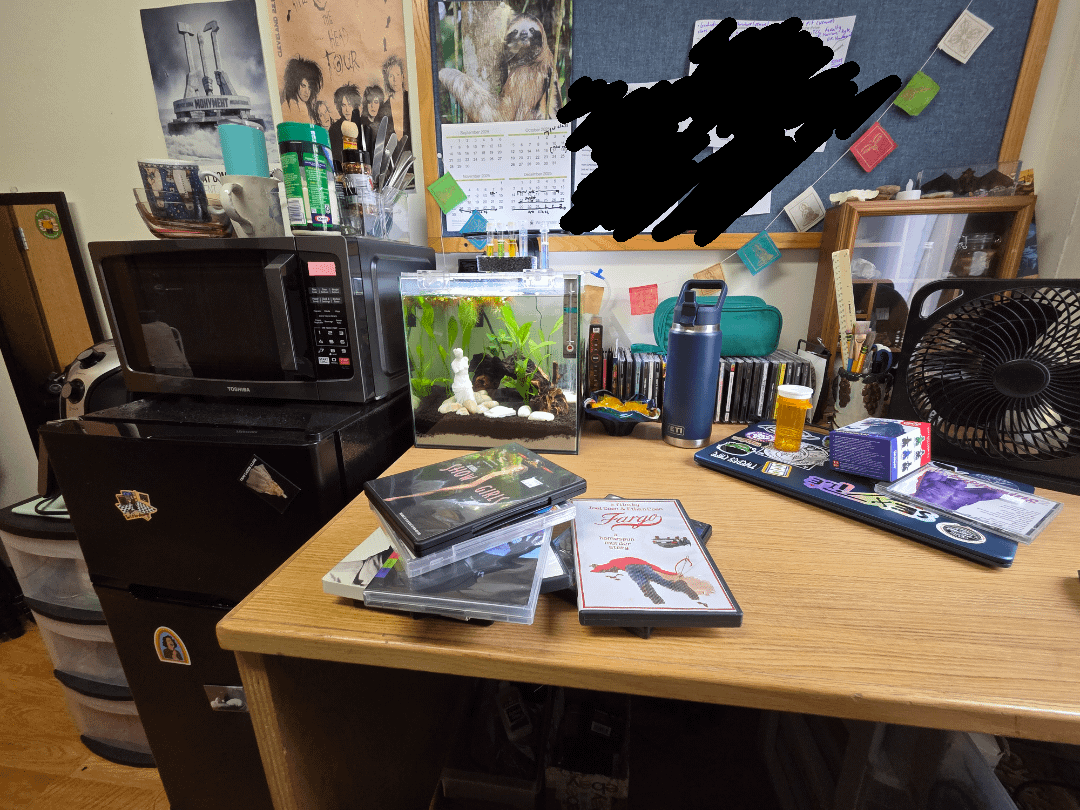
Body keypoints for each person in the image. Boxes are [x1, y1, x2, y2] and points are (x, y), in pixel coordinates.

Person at [282, 57, 324, 124]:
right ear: (296, 84)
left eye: (309, 87)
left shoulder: (309, 107)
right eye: (303, 86)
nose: (307, 92)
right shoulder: (287, 107)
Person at [379, 54, 410, 141]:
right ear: (387, 80)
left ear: (402, 77)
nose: (395, 80)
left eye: (397, 75)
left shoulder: (411, 100)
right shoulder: (383, 108)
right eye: (391, 76)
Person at [328, 84, 363, 162]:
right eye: (344, 105)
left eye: (350, 105)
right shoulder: (334, 129)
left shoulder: (362, 126)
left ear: (355, 106)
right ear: (339, 107)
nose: (347, 109)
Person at [356, 84, 386, 157]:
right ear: (366, 104)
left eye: (376, 102)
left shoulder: (383, 124)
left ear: (380, 104)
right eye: (369, 102)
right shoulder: (360, 124)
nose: (372, 106)